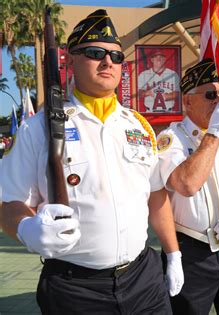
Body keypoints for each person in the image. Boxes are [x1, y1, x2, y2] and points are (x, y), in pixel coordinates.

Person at [0, 10, 183, 313]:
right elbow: (9, 203)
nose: (108, 61)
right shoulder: (38, 128)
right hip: (75, 288)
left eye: (116, 55)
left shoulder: (137, 125)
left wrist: (173, 253)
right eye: (95, 53)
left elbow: (155, 194)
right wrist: (26, 228)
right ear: (70, 61)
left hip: (143, 279)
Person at [155, 59, 219, 315]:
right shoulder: (171, 139)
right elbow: (187, 184)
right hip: (192, 253)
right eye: (211, 94)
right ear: (188, 101)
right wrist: (214, 133)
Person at [137, 49, 180, 113]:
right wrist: (146, 93)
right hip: (149, 112)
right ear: (152, 60)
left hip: (169, 112)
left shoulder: (173, 74)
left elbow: (178, 93)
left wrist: (168, 96)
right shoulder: (144, 74)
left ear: (164, 59)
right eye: (156, 57)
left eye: (161, 57)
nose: (158, 59)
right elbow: (138, 93)